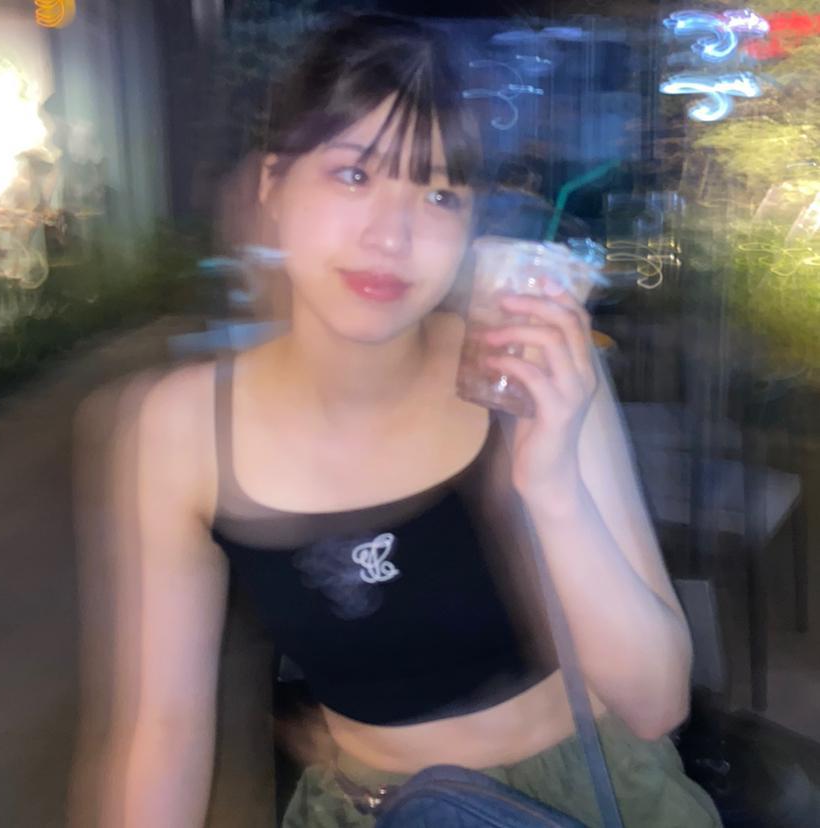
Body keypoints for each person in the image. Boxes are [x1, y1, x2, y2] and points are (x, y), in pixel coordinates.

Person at [73, 13, 722, 828]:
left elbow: (657, 703)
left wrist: (549, 483)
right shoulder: (180, 430)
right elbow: (161, 734)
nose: (392, 235)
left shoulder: (522, 370)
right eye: (353, 175)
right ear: (274, 184)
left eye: (439, 193)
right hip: (367, 811)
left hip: (585, 798)